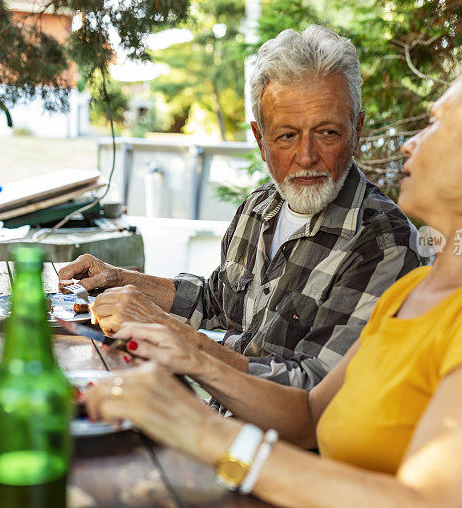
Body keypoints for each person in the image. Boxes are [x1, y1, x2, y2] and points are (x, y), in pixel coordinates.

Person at [83, 55, 462, 507]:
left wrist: (202, 431)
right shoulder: (417, 295)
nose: (411, 144)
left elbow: (427, 501)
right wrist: (191, 358)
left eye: (436, 124)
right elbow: (310, 417)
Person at [60, 25, 421, 390]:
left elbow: (312, 391)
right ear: (260, 141)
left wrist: (171, 332)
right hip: (214, 416)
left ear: (356, 132)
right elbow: (215, 302)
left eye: (327, 132)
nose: (306, 156)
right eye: (287, 136)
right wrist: (120, 280)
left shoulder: (385, 246)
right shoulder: (258, 207)